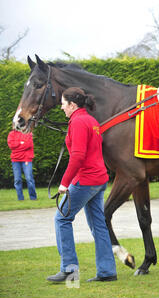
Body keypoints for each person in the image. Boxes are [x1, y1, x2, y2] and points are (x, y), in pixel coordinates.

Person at [47, 87, 117, 283]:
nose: (62, 108)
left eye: (63, 104)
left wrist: (64, 183)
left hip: (86, 180)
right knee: (99, 226)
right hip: (99, 179)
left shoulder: (77, 122)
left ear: (72, 104)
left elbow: (78, 156)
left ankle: (69, 269)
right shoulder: (91, 121)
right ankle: (107, 271)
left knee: (61, 219)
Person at [7, 128, 37, 201]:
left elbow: (28, 145)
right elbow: (11, 145)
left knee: (29, 178)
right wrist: (21, 143)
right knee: (17, 180)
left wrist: (18, 145)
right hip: (15, 160)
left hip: (27, 159)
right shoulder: (11, 134)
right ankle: (20, 198)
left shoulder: (28, 133)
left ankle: (33, 198)